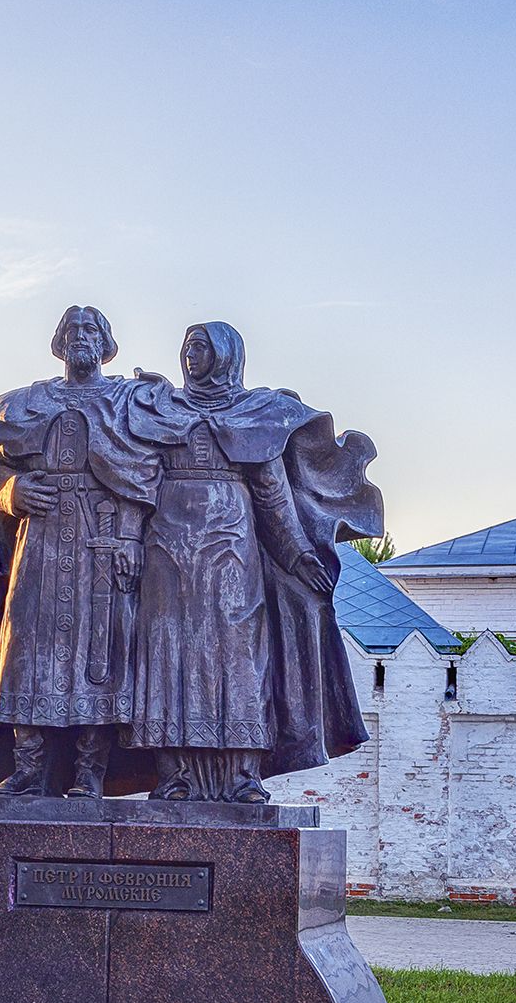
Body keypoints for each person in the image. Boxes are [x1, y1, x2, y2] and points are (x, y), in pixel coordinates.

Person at [125, 321, 382, 802]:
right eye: (187, 347)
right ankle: (174, 774)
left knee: (240, 655)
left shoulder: (254, 414)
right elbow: (133, 482)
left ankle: (242, 774)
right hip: (168, 548)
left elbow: (272, 494)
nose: (191, 356)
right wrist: (125, 541)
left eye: (201, 347)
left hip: (231, 548)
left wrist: (298, 554)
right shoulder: (162, 410)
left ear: (225, 354)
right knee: (167, 651)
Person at [0, 306, 159, 798]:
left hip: (101, 539)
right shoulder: (27, 403)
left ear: (106, 343)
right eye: (73, 330)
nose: (81, 337)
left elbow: (145, 473)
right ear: (59, 342)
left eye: (91, 330)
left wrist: (130, 537)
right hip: (41, 540)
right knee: (27, 649)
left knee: (101, 651)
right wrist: (12, 490)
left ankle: (90, 773)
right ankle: (29, 769)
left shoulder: (125, 403)